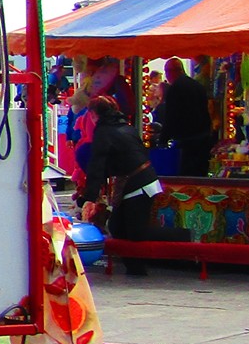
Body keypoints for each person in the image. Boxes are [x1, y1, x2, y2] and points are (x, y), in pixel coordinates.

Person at [76, 95, 187, 276]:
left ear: (94, 115)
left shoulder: (104, 132)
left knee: (135, 231)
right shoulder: (126, 128)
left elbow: (97, 166)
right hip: (142, 180)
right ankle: (135, 267)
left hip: (136, 183)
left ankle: (181, 236)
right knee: (119, 227)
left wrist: (88, 197)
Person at [153, 58, 214, 176]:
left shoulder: (175, 89)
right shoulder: (197, 86)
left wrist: (163, 140)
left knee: (187, 177)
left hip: (186, 142)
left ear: (172, 72)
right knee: (200, 175)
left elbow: (171, 116)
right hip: (203, 139)